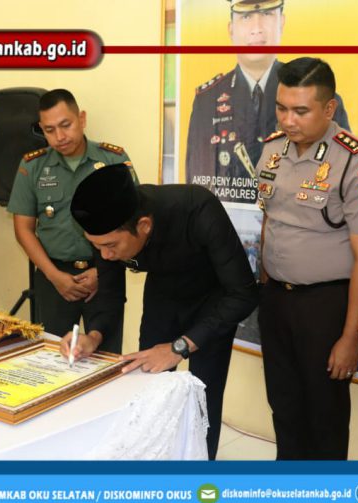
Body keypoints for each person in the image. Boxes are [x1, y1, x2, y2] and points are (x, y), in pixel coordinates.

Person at [63, 164, 258, 459]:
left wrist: (180, 346)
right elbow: (110, 293)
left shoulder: (197, 208)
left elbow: (244, 294)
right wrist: (94, 335)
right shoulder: (107, 232)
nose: (105, 255)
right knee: (149, 388)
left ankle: (199, 474)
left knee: (202, 396)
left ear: (144, 226)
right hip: (163, 297)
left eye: (110, 246)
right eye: (97, 246)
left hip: (214, 303)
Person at [256, 57, 358, 459]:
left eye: (300, 111)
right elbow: (269, 219)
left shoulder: (357, 161)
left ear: (329, 108)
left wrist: (350, 338)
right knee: (283, 405)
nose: (288, 120)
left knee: (324, 413)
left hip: (326, 305)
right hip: (276, 299)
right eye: (281, 108)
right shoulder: (272, 150)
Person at [7, 89, 137, 352]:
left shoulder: (113, 159)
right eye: (49, 130)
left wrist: (101, 273)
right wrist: (55, 276)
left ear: (82, 119)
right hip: (53, 277)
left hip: (105, 271)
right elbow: (23, 229)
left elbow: (131, 220)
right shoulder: (32, 166)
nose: (60, 136)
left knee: (106, 356)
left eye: (65, 125)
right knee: (53, 357)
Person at [185, 0, 351, 204]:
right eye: (246, 17)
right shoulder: (207, 100)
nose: (257, 28)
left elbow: (342, 179)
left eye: (266, 14)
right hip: (227, 219)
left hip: (299, 218)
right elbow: (196, 183)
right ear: (231, 29)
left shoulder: (320, 97)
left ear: (282, 22)